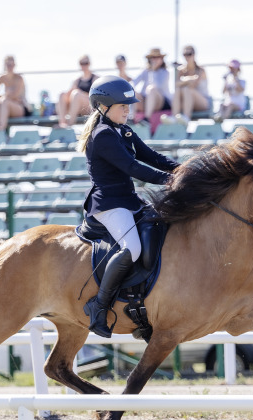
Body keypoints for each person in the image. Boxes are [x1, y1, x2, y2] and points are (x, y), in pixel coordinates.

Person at [77, 76, 179, 337]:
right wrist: (168, 181)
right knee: (131, 248)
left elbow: (150, 156)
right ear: (103, 106)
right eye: (123, 106)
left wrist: (183, 170)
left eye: (128, 105)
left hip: (129, 201)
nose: (128, 109)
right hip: (110, 205)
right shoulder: (102, 135)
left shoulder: (123, 130)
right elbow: (132, 167)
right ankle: (99, 306)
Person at [161, 45, 211, 125]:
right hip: (187, 102)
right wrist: (188, 79)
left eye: (189, 54)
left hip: (202, 103)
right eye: (185, 54)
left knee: (186, 89)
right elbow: (176, 85)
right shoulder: (181, 70)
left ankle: (186, 118)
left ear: (194, 55)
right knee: (179, 89)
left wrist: (183, 80)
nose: (187, 56)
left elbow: (193, 85)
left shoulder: (201, 70)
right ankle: (174, 116)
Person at [0, 55, 32, 132]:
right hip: (8, 106)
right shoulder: (1, 78)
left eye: (11, 65)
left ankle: (1, 127)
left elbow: (15, 96)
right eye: (8, 65)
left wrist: (4, 96)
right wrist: (2, 96)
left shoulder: (19, 78)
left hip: (21, 108)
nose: (10, 67)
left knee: (4, 101)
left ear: (14, 65)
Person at [132, 48, 172, 124]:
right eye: (153, 57)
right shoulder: (145, 70)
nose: (155, 60)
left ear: (162, 59)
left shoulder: (165, 72)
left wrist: (153, 70)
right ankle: (132, 118)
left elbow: (157, 86)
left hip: (161, 101)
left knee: (152, 89)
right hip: (146, 100)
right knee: (133, 92)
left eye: (158, 57)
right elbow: (133, 82)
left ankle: (147, 118)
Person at [57, 55, 98, 127]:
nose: (84, 65)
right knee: (62, 95)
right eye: (82, 63)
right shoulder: (77, 80)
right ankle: (62, 123)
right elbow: (68, 95)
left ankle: (69, 124)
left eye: (86, 63)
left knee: (76, 94)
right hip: (77, 107)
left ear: (89, 64)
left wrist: (80, 94)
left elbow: (95, 97)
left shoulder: (95, 78)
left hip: (89, 107)